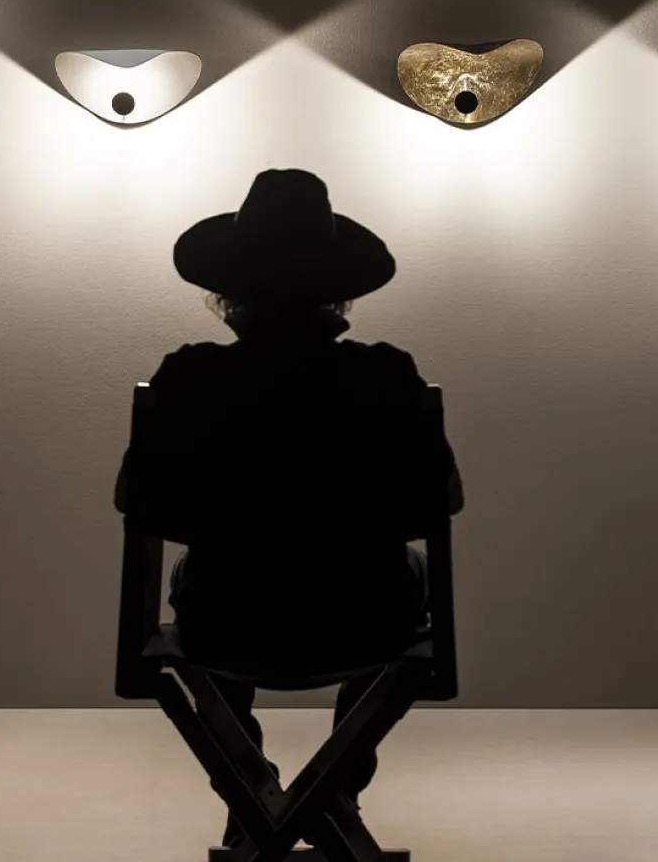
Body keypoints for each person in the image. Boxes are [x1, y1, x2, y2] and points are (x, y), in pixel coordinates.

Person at [114, 167, 463, 848]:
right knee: (406, 573)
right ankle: (334, 793)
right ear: (337, 293)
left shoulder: (189, 376)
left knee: (198, 575)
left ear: (231, 292)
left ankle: (251, 793)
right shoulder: (385, 374)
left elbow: (136, 503)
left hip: (226, 619)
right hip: (364, 619)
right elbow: (442, 501)